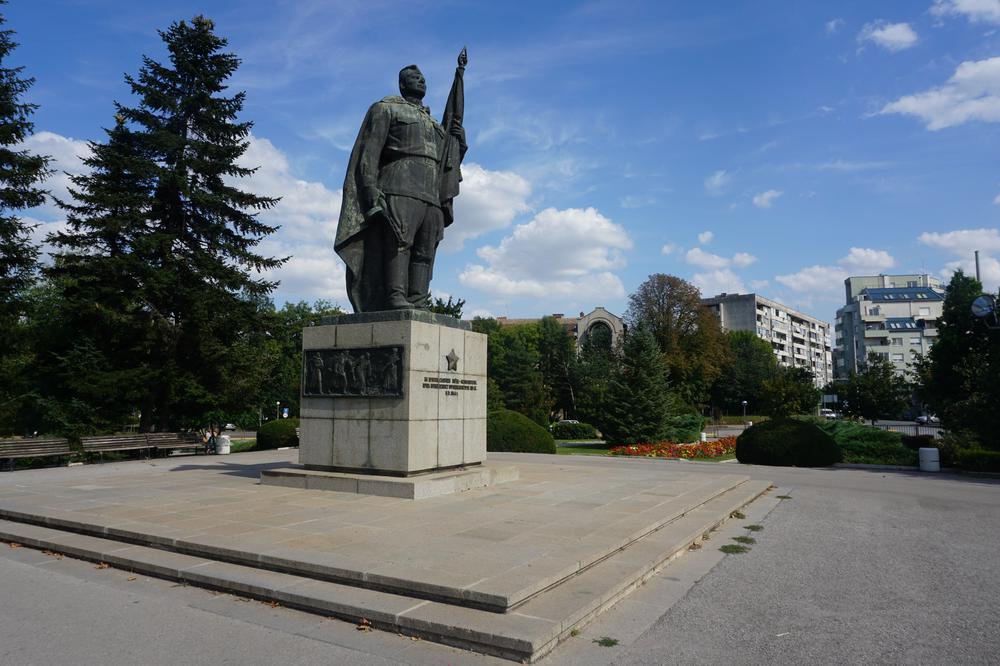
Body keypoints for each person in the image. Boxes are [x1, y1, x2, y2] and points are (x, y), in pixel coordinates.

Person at [336, 49, 468, 312]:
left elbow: (446, 162)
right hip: (399, 187)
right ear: (402, 83)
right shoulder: (386, 109)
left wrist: (458, 140)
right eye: (414, 77)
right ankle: (395, 296)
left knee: (425, 251)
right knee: (399, 243)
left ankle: (418, 300)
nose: (421, 80)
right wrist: (371, 194)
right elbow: (368, 154)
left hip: (430, 194)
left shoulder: (433, 123)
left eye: (423, 78)